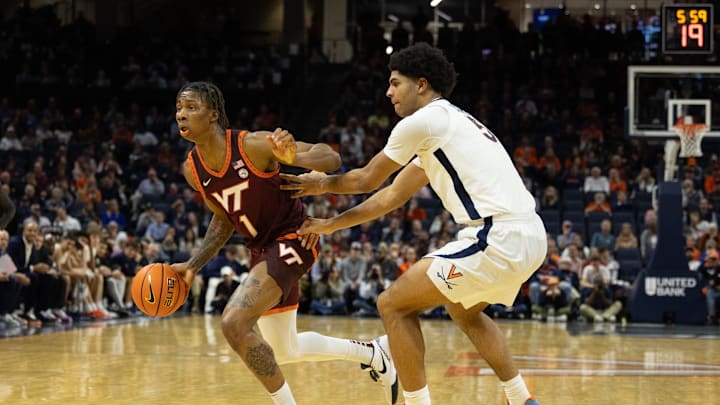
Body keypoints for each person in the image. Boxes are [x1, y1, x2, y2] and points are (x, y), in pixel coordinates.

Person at [282, 43, 544, 405]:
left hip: (497, 235)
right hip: (527, 235)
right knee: (463, 310)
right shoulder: (448, 126)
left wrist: (322, 183)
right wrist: (331, 224)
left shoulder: (422, 122)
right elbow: (390, 197)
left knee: (393, 304)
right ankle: (521, 398)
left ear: (421, 84)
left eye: (395, 83)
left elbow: (366, 179)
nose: (388, 92)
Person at [170, 81, 397, 405]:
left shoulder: (253, 145)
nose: (182, 114)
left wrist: (296, 157)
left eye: (191, 107)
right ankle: (374, 354)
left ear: (214, 115)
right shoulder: (193, 170)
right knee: (284, 350)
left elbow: (330, 158)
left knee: (234, 323)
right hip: (262, 251)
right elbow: (224, 218)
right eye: (179, 108)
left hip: (294, 237)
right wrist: (194, 264)